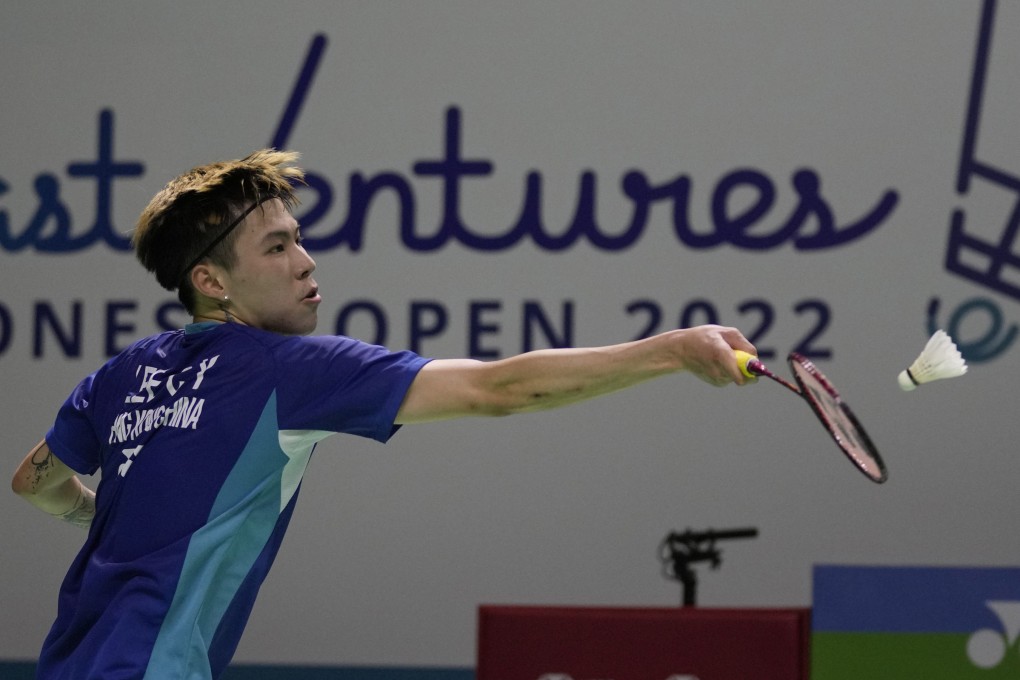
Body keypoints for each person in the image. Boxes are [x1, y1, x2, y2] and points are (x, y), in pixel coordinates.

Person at [11, 149, 756, 679]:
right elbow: (497, 389)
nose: (305, 262)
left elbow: (34, 482)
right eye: (277, 247)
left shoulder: (122, 374)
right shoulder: (287, 372)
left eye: (298, 239)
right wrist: (670, 352)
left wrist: (109, 515)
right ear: (211, 281)